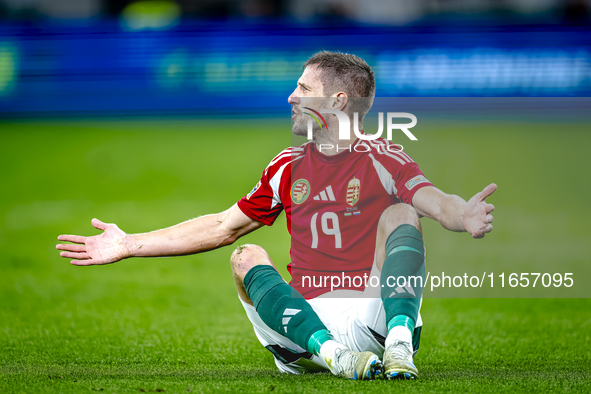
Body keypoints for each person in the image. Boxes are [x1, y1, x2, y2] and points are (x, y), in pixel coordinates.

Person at [57, 51, 496, 381]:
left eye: (304, 88)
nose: (291, 95)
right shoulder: (287, 164)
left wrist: (463, 214)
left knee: (402, 213)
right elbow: (222, 227)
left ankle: (400, 345)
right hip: (303, 327)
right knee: (245, 254)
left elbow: (434, 201)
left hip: (371, 318)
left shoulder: (384, 157)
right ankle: (333, 356)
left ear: (338, 101)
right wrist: (129, 244)